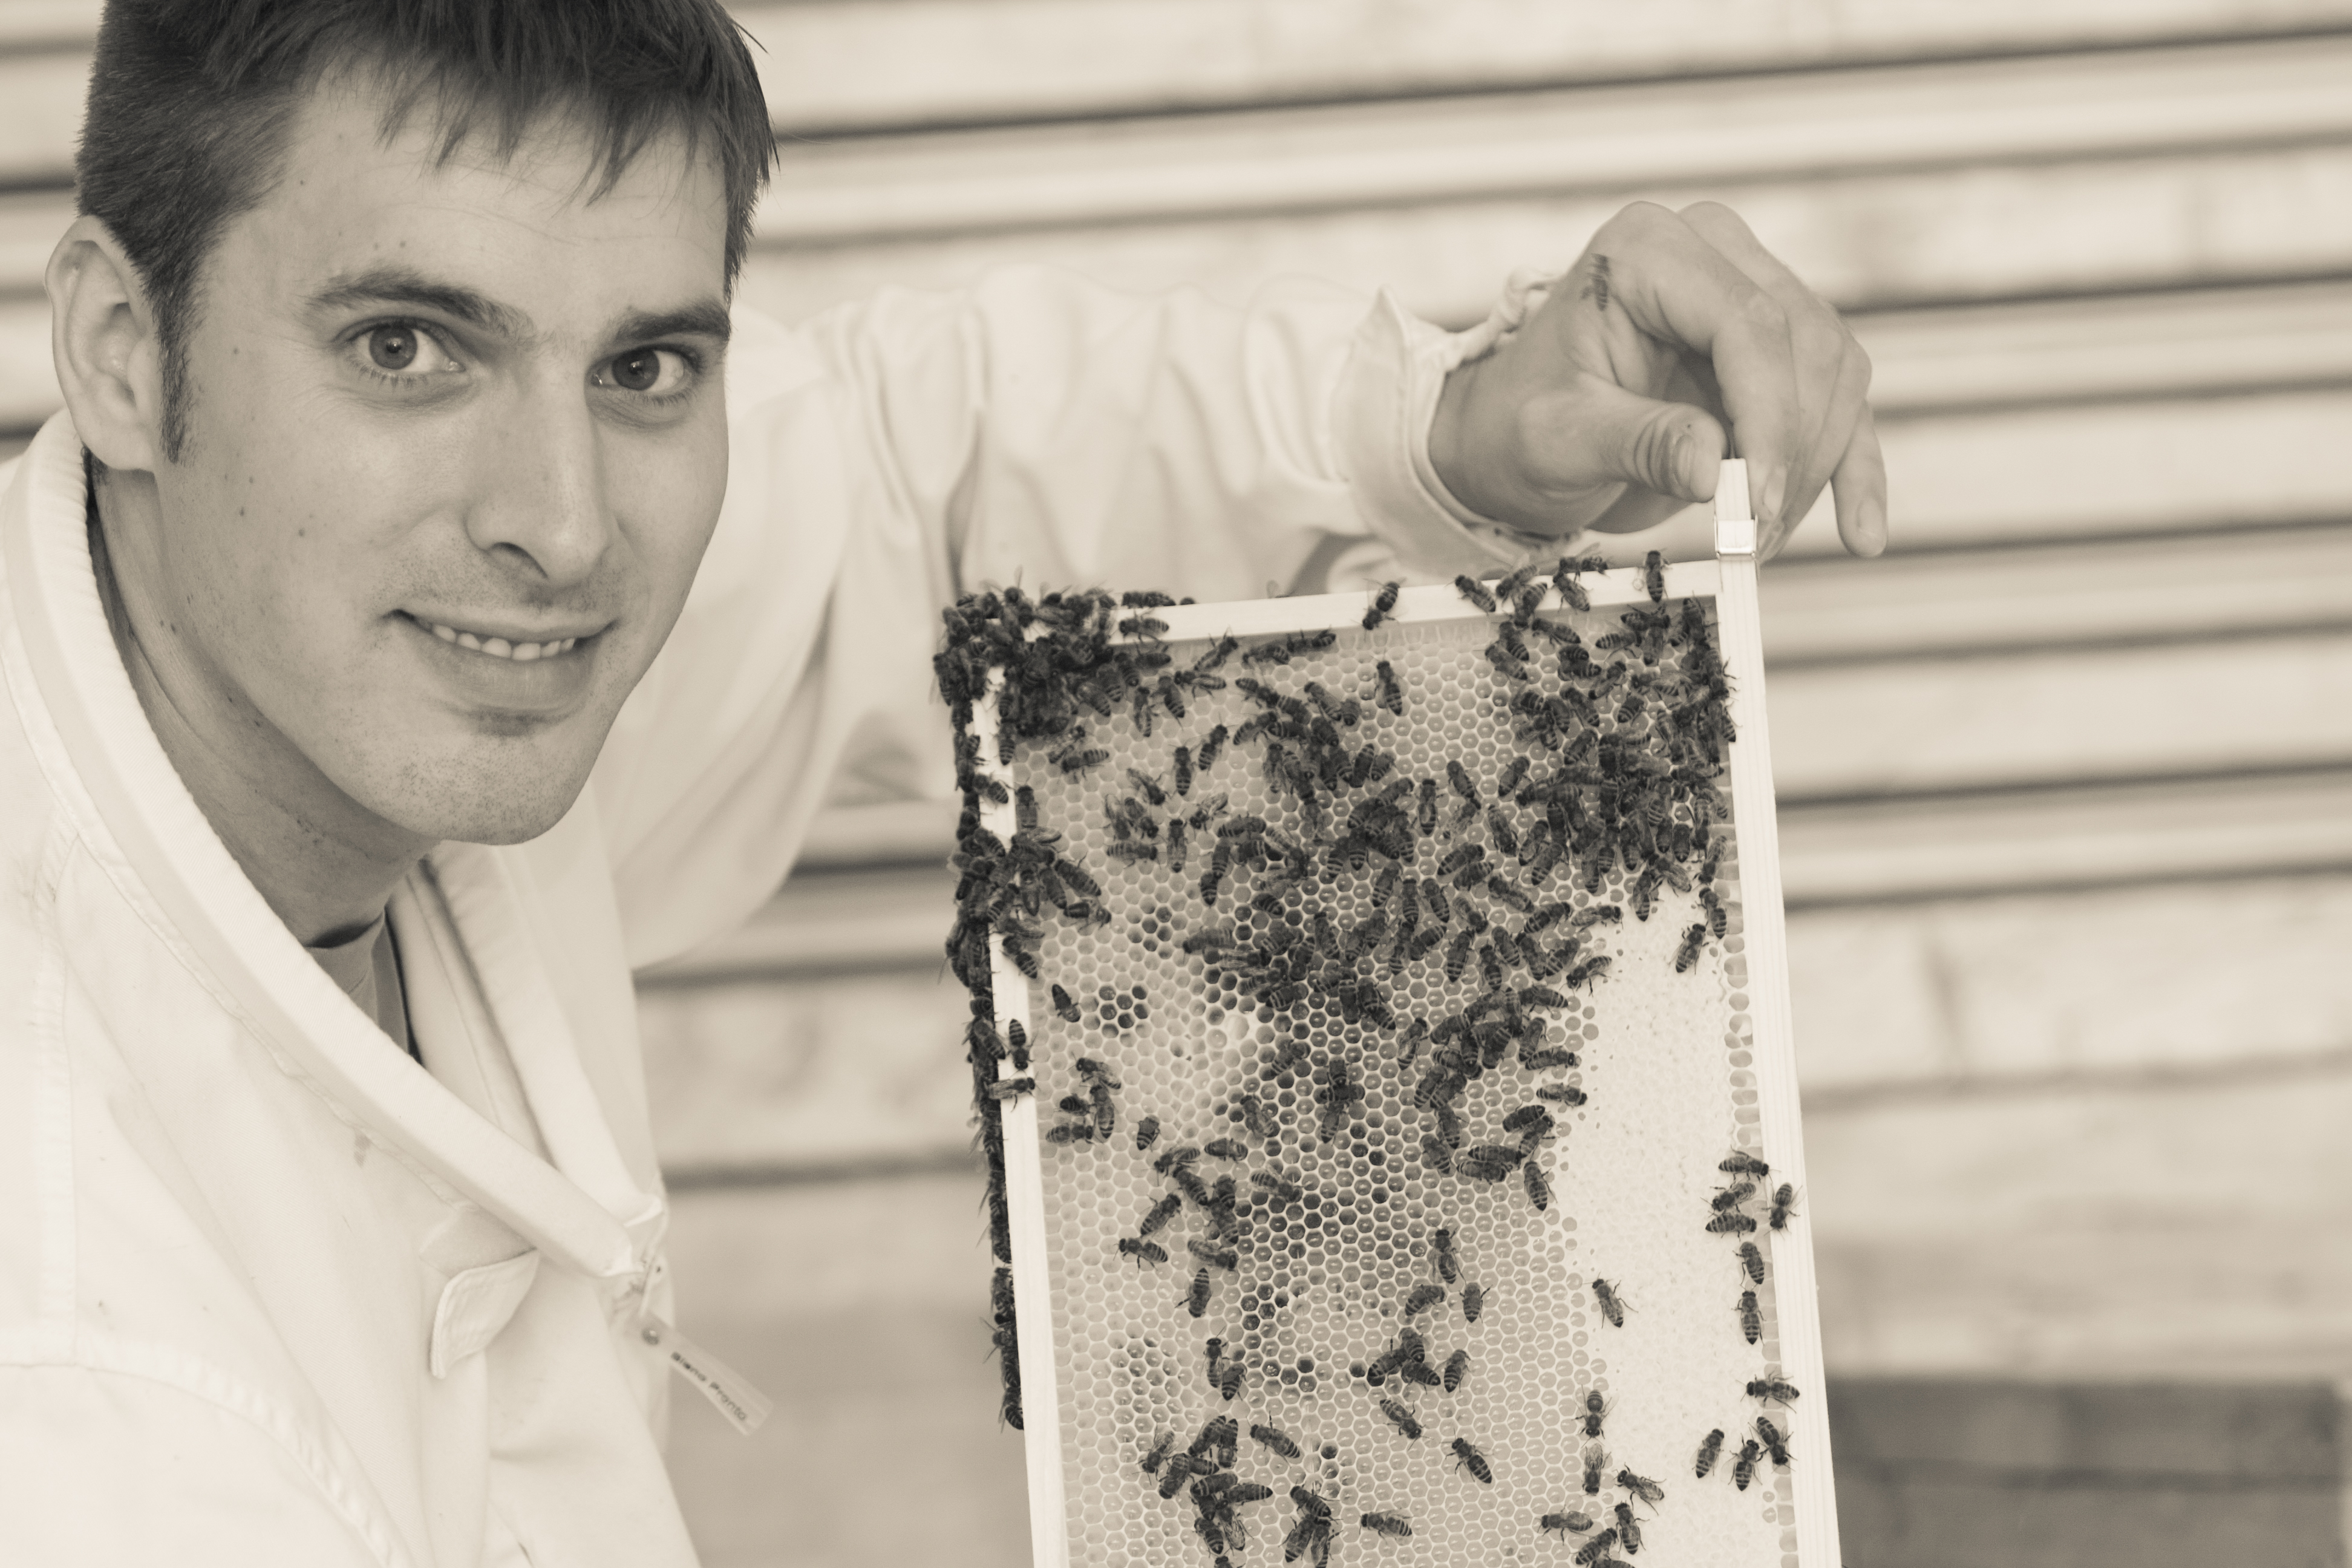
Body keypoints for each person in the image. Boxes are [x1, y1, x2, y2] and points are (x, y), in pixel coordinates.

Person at [0, 1, 1883, 1562]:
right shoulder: (88, 1382)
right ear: (120, 353)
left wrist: (1443, 437)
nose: (563, 529)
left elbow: (910, 478)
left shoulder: (367, 654)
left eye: (646, 368)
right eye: (406, 349)